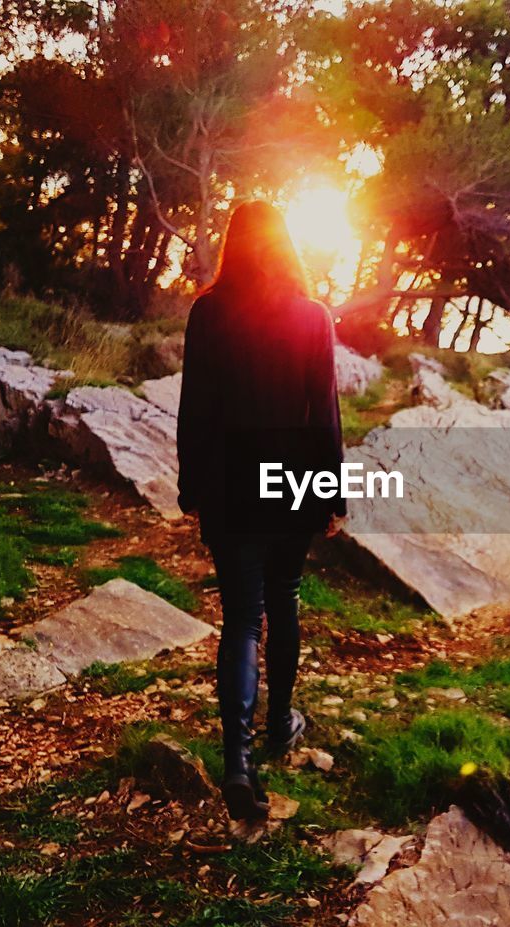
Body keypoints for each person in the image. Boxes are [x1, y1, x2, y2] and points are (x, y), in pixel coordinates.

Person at [176, 200, 345, 822]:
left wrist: (191, 487)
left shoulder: (209, 311)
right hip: (293, 481)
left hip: (229, 486)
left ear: (233, 244)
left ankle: (236, 762)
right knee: (285, 598)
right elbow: (323, 415)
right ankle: (280, 725)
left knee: (243, 618)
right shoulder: (312, 316)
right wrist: (333, 494)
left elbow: (193, 408)